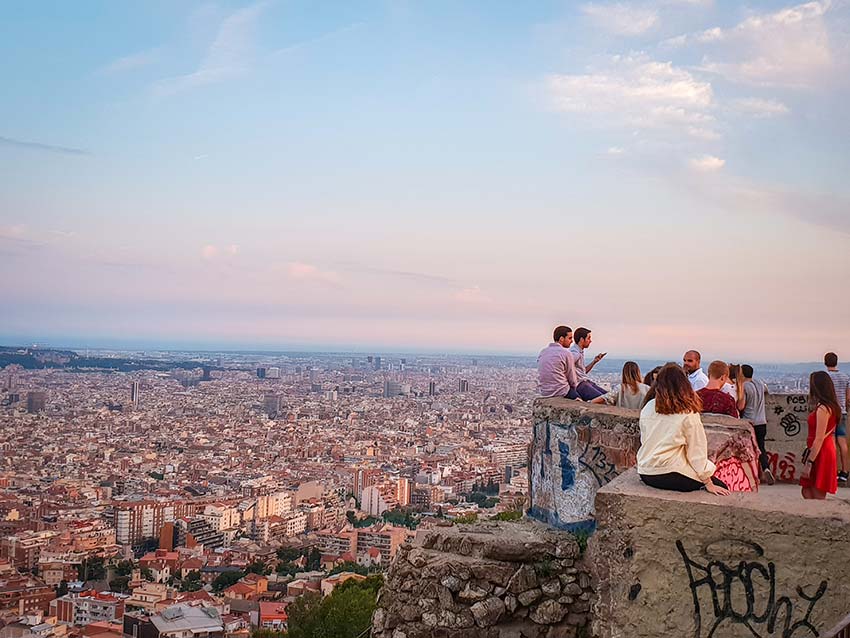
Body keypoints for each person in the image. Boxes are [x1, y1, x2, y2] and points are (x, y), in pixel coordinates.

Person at [636, 364, 729, 495]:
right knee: (722, 487)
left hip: (646, 471)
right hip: (669, 471)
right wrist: (708, 482)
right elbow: (696, 451)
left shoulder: (649, 407)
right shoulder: (687, 413)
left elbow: (645, 439)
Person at [800, 371, 841, 499]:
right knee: (807, 490)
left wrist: (809, 462)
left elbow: (819, 438)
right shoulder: (830, 407)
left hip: (821, 451)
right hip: (822, 449)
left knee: (816, 493)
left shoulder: (823, 409)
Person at [737, 364, 774, 485]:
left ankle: (752, 475)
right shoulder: (759, 383)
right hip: (762, 421)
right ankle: (766, 468)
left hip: (749, 422)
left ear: (742, 374)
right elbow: (767, 390)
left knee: (748, 450)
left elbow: (741, 406)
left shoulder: (745, 386)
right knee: (761, 447)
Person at [824, 352, 850, 485]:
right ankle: (845, 472)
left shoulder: (826, 378)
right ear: (836, 362)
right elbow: (848, 398)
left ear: (825, 362)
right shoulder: (845, 377)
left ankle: (832, 472)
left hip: (829, 412)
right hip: (842, 412)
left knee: (830, 443)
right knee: (842, 443)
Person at [537, 326, 580, 399]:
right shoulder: (566, 353)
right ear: (561, 339)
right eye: (569, 338)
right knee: (581, 402)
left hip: (545, 392)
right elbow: (572, 379)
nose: (572, 341)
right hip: (561, 391)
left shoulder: (543, 352)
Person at [569, 327, 607, 400]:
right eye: (588, 338)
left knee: (608, 396)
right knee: (605, 400)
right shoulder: (575, 353)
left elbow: (582, 372)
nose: (590, 341)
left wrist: (594, 362)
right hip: (581, 386)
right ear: (582, 340)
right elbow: (565, 365)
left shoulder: (578, 351)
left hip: (585, 383)